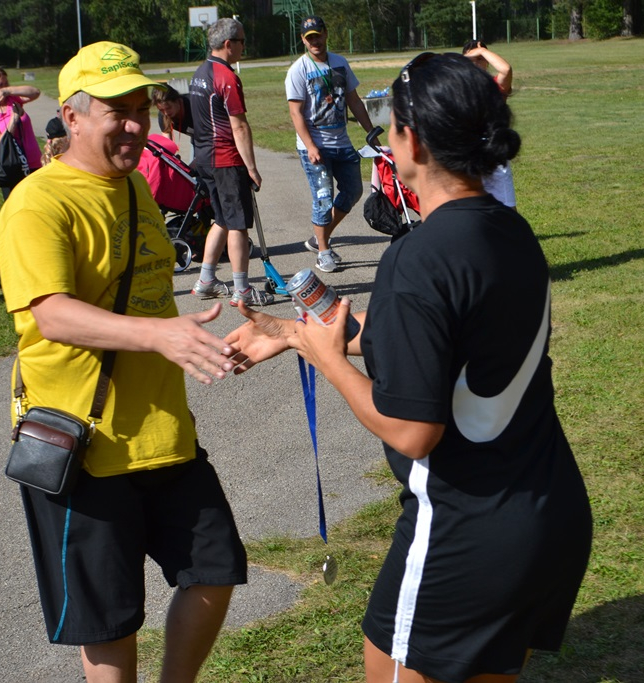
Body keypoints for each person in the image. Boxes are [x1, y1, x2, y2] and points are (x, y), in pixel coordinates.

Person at [225, 52, 592, 683]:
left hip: (466, 530)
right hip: (548, 517)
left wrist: (329, 361)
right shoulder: (512, 233)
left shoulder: (418, 257)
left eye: (390, 125)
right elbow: (444, 344)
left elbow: (411, 430)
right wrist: (293, 334)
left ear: (411, 140)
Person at [0, 41, 247, 683]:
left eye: (142, 107)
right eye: (117, 111)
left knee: (215, 568)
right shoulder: (37, 203)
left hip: (164, 434)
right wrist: (160, 337)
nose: (135, 123)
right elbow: (49, 313)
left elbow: (155, 294)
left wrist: (203, 340)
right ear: (72, 117)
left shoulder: (135, 185)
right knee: (111, 622)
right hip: (86, 445)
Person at [189, 17, 272, 306]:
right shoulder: (227, 78)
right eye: (241, 42)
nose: (244, 47)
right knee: (238, 224)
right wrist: (251, 167)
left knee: (223, 219)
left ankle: (206, 279)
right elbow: (239, 126)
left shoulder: (200, 72)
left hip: (206, 159)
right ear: (228, 44)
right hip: (226, 159)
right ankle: (243, 289)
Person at [286, 15, 375, 273]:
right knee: (323, 198)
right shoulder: (298, 70)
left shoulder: (340, 63)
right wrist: (311, 146)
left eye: (318, 35)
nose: (315, 41)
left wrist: (371, 132)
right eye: (309, 37)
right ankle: (323, 251)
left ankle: (319, 237)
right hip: (314, 146)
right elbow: (295, 113)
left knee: (354, 191)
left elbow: (354, 101)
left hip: (341, 143)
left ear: (326, 34)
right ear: (303, 40)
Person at [463, 39, 517, 208]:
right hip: (469, 153)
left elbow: (506, 69)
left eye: (481, 59)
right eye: (473, 59)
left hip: (495, 152)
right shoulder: (458, 88)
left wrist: (482, 52)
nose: (477, 63)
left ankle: (510, 234)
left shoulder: (495, 85)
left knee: (507, 207)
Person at [0, 66, 42, 199]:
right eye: (0, 85)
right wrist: (13, 119)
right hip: (12, 168)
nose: (4, 88)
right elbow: (0, 142)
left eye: (6, 84)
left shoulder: (13, 100)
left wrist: (9, 90)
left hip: (34, 163)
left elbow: (35, 92)